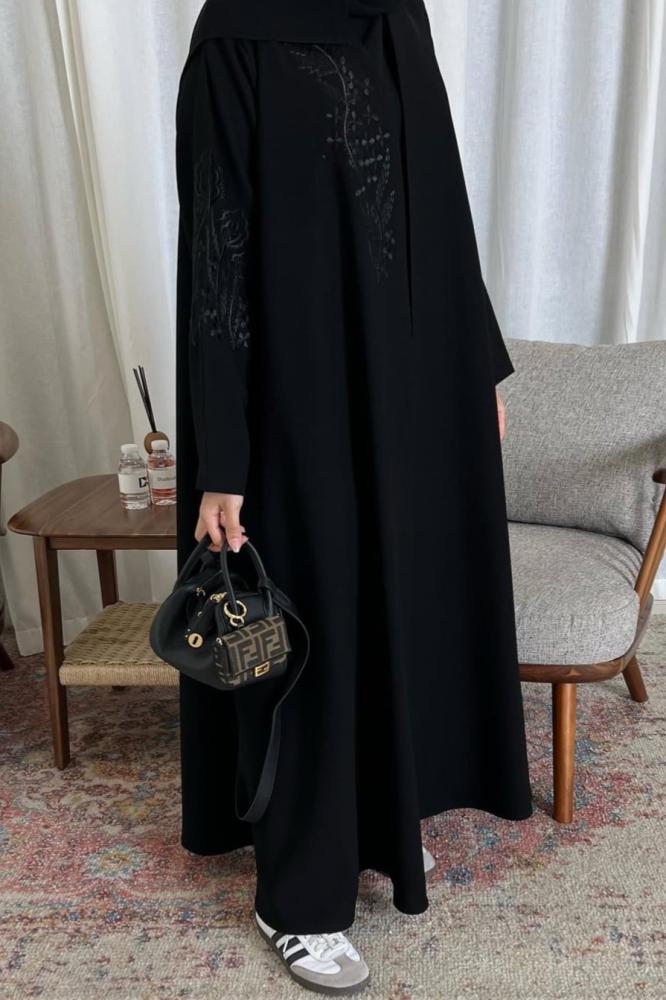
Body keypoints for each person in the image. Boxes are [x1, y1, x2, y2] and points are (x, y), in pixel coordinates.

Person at [174, 0, 533, 993]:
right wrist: (224, 455)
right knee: (311, 637)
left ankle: (378, 823)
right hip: (298, 399)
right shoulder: (234, 42)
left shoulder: (393, 14)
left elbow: (440, 197)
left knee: (401, 601)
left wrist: (476, 366)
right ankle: (296, 897)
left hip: (411, 379)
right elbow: (217, 249)